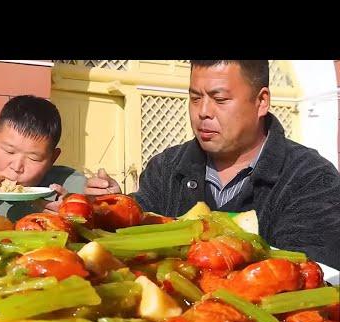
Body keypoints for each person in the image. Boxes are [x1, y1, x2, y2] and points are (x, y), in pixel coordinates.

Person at [89, 60, 340, 270]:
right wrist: (111, 212)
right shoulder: (166, 168)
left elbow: (307, 272)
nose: (203, 112)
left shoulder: (311, 178)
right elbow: (133, 242)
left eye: (219, 99)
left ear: (261, 101)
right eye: (195, 98)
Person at [0, 95, 88, 222]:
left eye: (33, 158)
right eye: (9, 151)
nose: (17, 167)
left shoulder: (72, 187)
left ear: (53, 158)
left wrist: (76, 216)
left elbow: (102, 225)